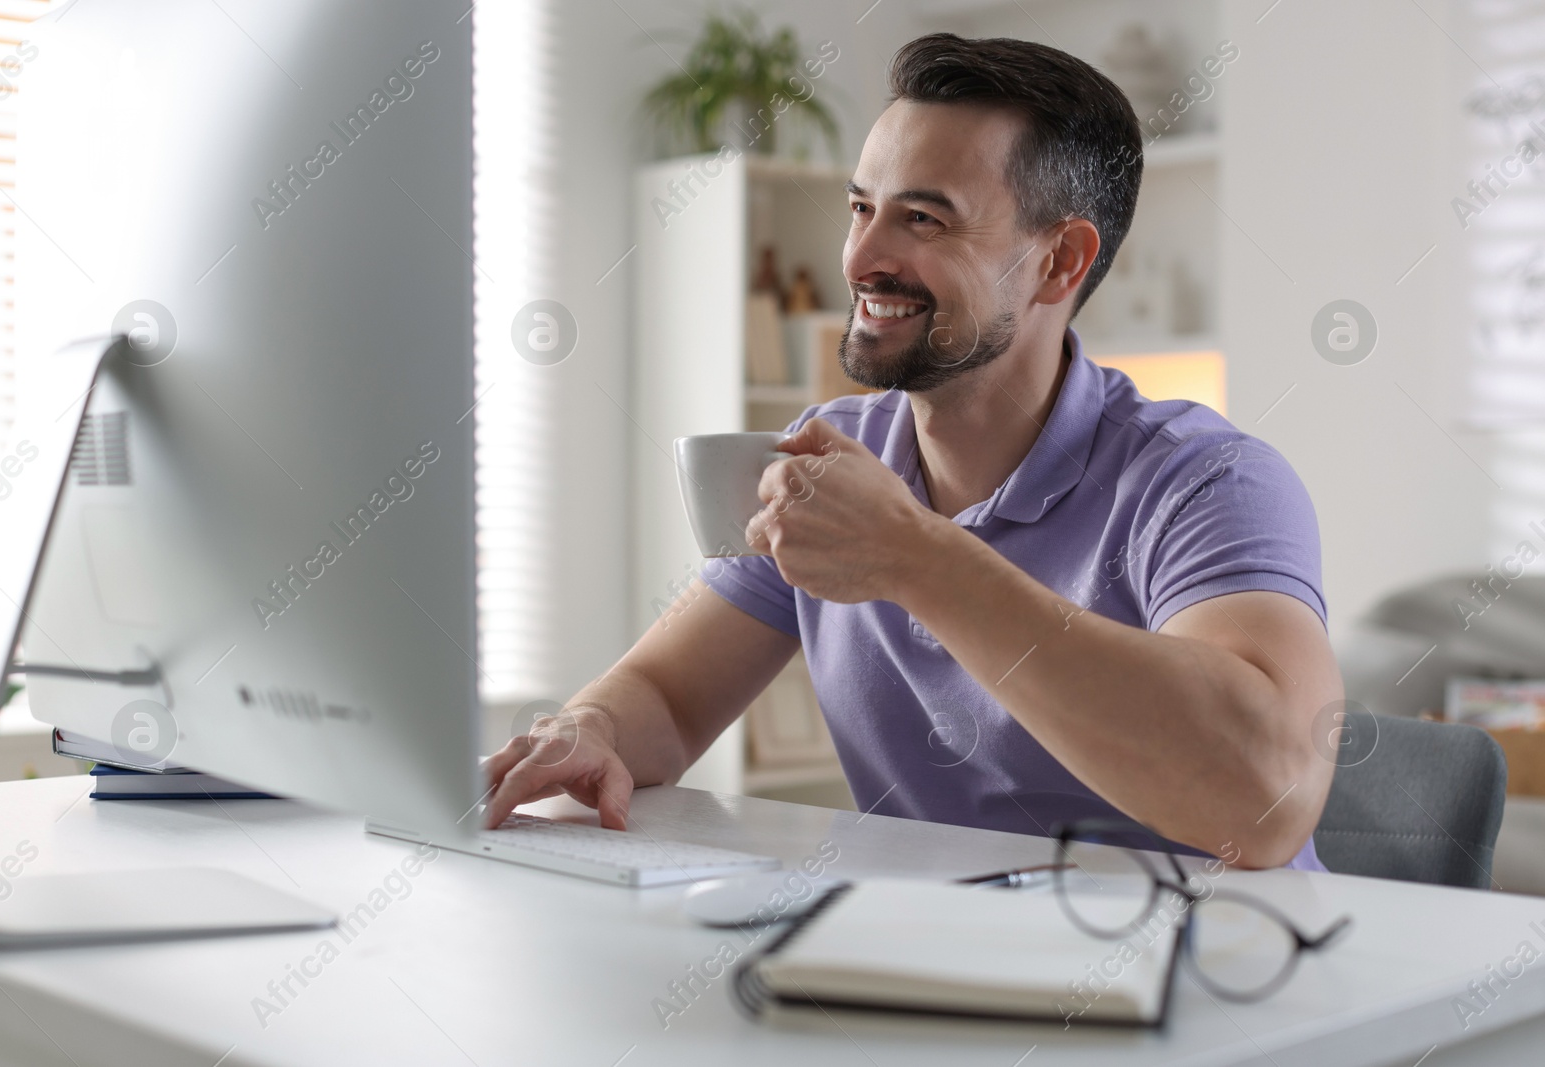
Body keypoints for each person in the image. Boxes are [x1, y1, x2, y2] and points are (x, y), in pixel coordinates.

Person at [483, 33, 1343, 869]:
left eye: (925, 219)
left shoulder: (1207, 480)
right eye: (862, 208)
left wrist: (914, 557)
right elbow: (666, 700)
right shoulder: (830, 458)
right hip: (938, 972)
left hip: (1219, 981)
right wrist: (590, 726)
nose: (861, 257)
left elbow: (1264, 799)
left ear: (1059, 261)